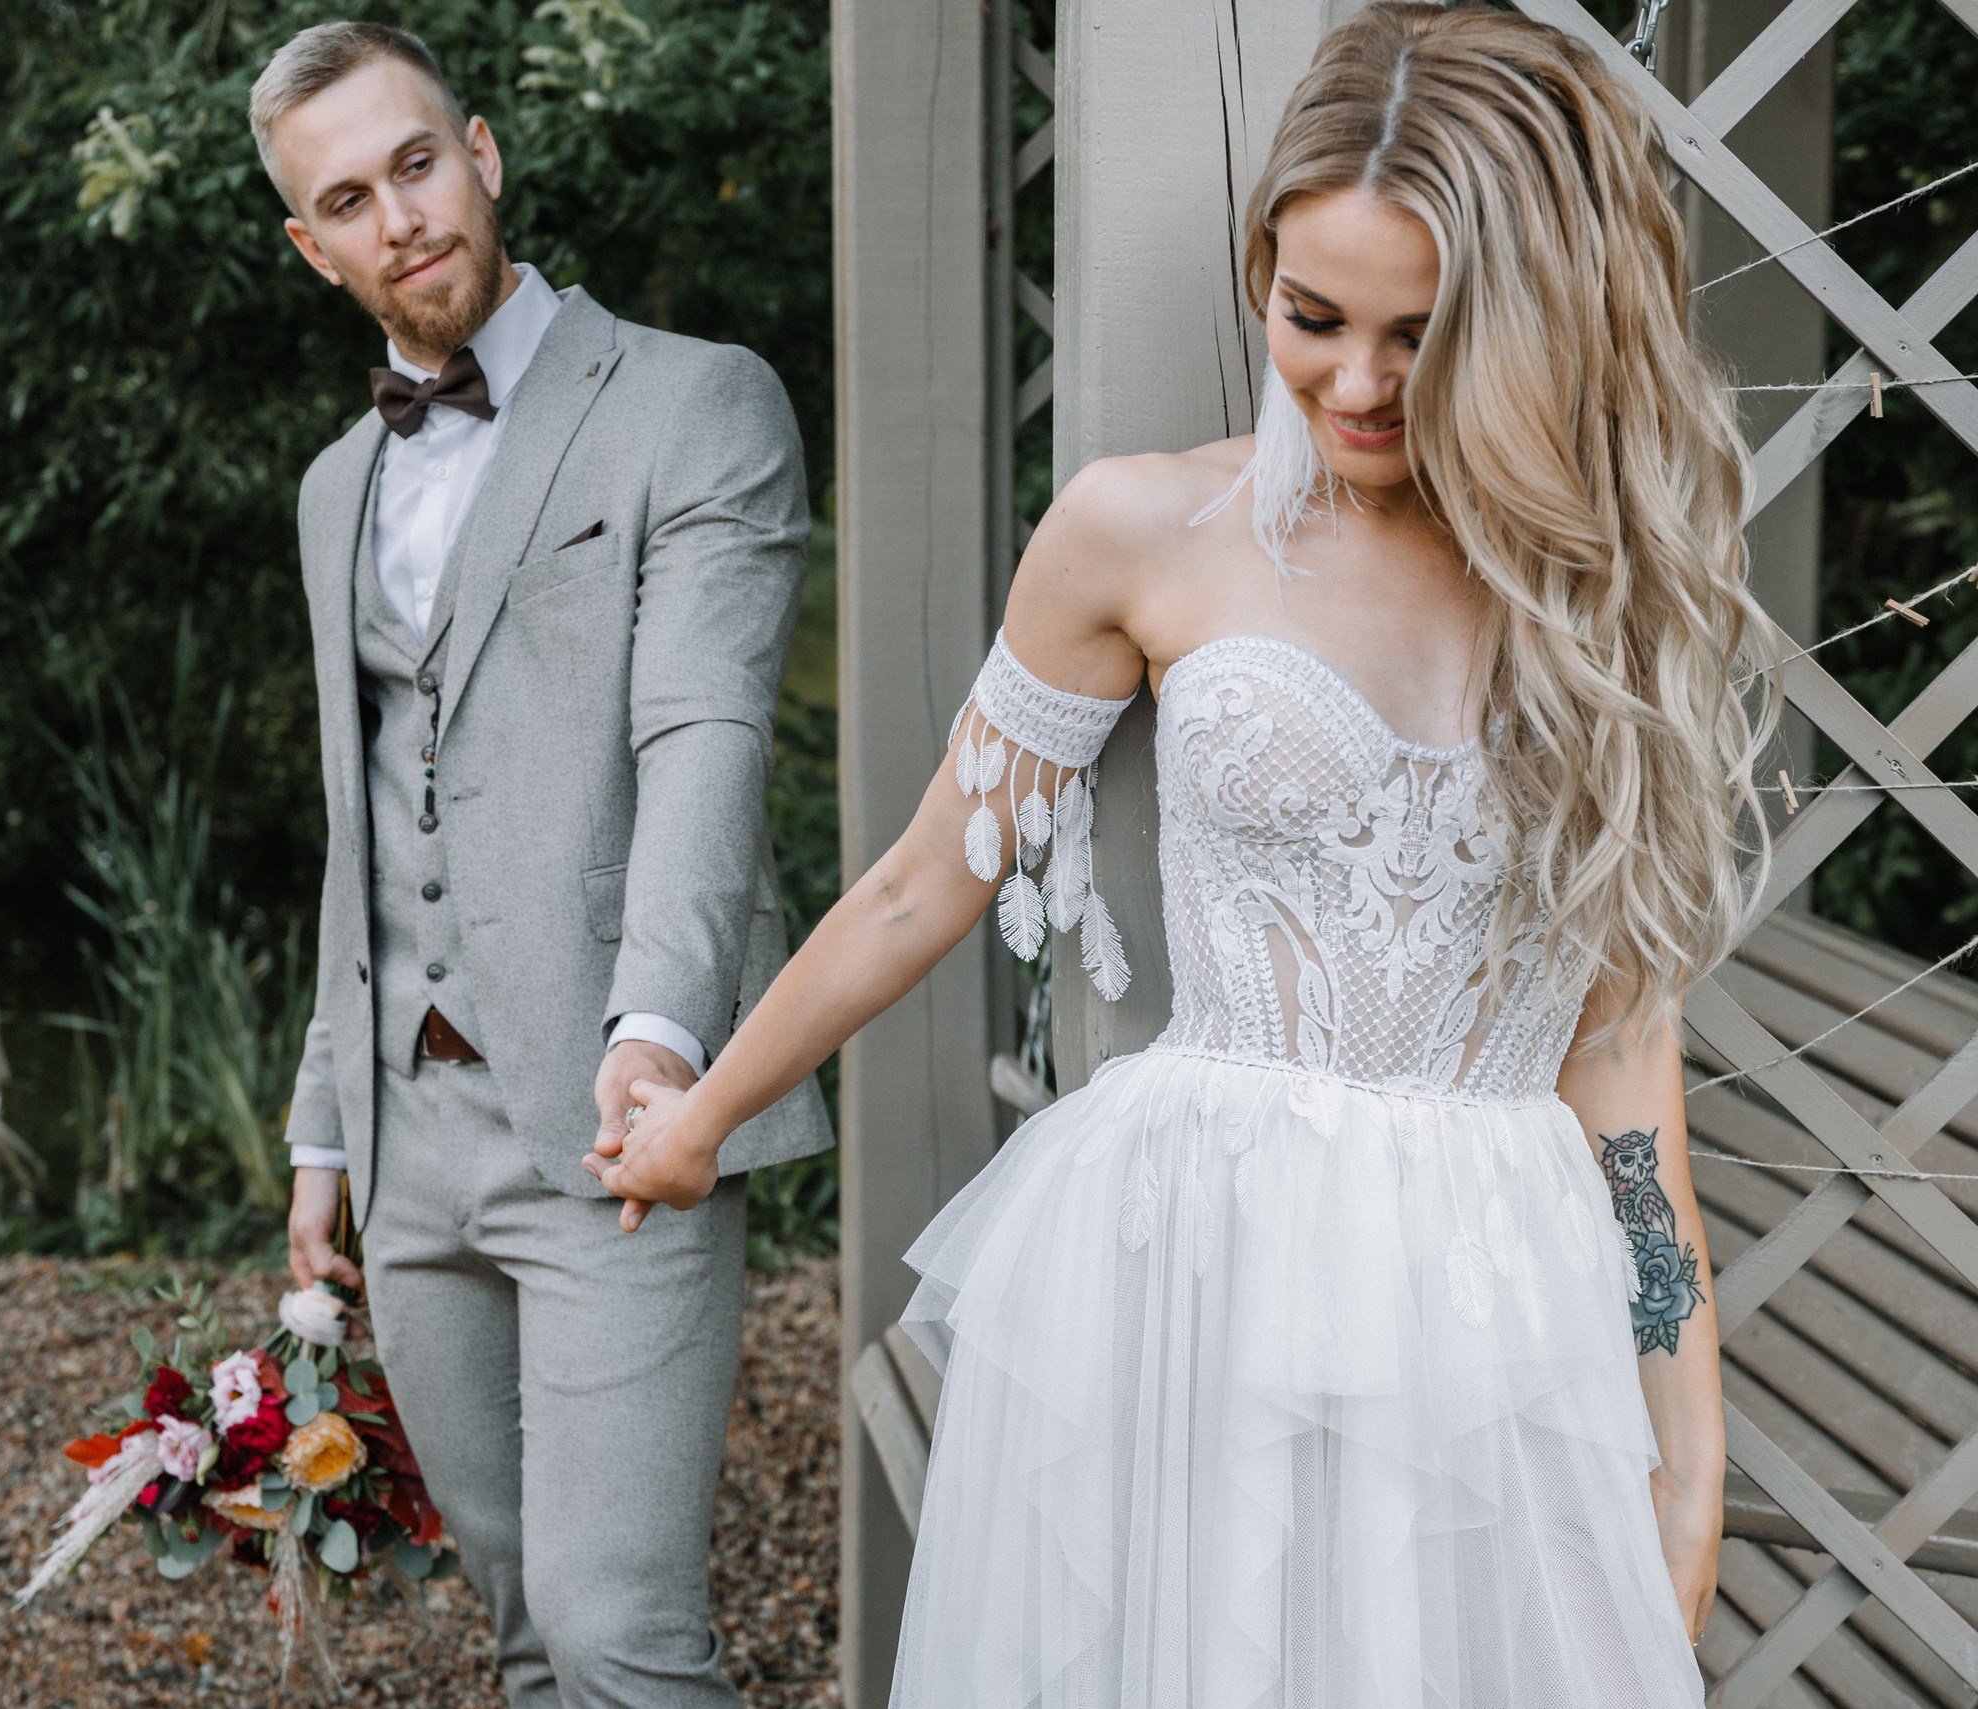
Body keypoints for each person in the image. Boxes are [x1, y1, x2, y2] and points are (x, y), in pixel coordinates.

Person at [590, 8, 1763, 1703]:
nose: (1356, 385)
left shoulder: (1609, 599)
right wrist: (700, 1116)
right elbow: (933, 872)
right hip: (1199, 1256)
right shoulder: (1144, 529)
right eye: (1312, 318)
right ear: (1260, 272)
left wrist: (1688, 1435)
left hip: (1498, 1291)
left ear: (1535, 326)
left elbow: (1623, 1050)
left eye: (1422, 336)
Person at [252, 22, 833, 1709]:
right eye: (347, 200)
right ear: (314, 246)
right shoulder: (331, 488)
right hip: (409, 1138)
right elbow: (362, 817)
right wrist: (322, 1125)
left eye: (417, 164)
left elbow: (703, 739)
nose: (400, 219)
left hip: (617, 1108)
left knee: (617, 1635)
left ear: (484, 152)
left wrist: (659, 1038)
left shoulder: (693, 400)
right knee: (516, 1628)